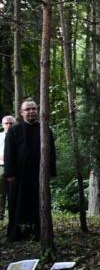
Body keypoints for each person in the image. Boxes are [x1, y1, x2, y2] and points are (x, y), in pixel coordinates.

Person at [4, 100, 56, 241]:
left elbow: (52, 152)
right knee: (17, 204)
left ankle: (38, 232)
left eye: (33, 108)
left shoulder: (45, 129)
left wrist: (50, 171)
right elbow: (9, 153)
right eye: (27, 109)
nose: (31, 111)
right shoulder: (14, 130)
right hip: (19, 176)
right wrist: (10, 173)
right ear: (21, 113)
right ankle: (16, 233)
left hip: (38, 175)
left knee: (38, 204)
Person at [0, 115, 17, 221]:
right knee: (1, 193)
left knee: (14, 192)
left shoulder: (19, 135)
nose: (9, 125)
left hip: (15, 168)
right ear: (2, 125)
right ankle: (0, 214)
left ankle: (14, 214)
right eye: (6, 123)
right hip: (1, 166)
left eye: (11, 123)